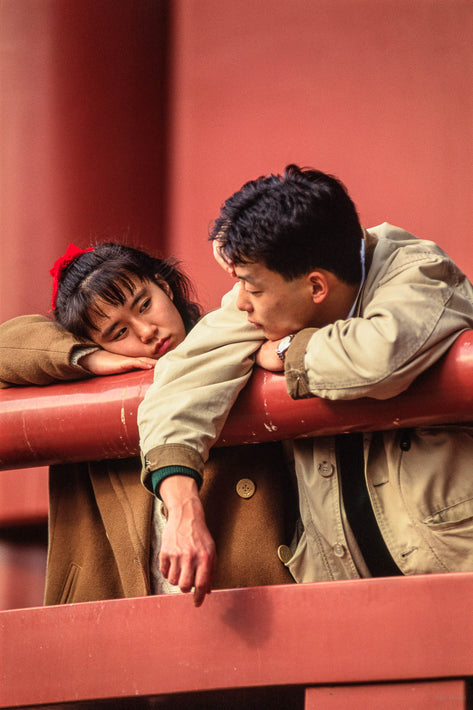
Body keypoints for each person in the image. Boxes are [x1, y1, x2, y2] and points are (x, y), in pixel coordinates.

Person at [138, 164, 473, 605]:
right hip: (338, 600)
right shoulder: (269, 292)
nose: (239, 301)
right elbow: (179, 380)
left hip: (454, 580)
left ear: (316, 286)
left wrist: (284, 351)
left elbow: (379, 357)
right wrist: (183, 505)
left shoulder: (417, 273)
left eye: (250, 288)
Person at [0, 242, 296, 607]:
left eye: (145, 305)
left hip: (246, 597)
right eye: (118, 333)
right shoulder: (81, 374)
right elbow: (7, 346)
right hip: (123, 603)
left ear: (165, 287)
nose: (146, 331)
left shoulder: (230, 337)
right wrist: (89, 359)